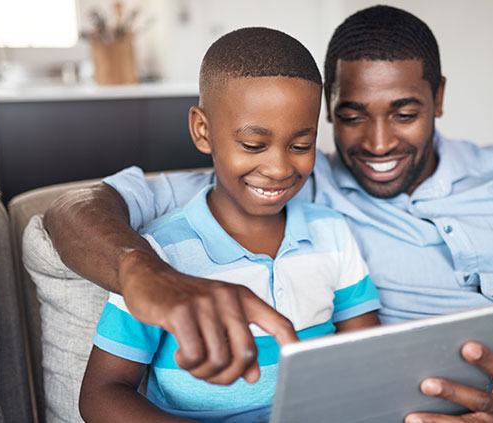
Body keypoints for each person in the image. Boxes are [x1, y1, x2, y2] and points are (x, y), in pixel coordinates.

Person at [47, 5, 493, 423]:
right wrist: (142, 271)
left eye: (404, 112)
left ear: (440, 98)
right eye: (349, 117)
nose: (375, 144)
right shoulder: (292, 183)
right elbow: (73, 209)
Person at [77, 27, 380, 423]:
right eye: (254, 145)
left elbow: (369, 358)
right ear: (203, 131)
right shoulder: (158, 255)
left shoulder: (332, 233)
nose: (279, 168)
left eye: (301, 145)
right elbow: (101, 395)